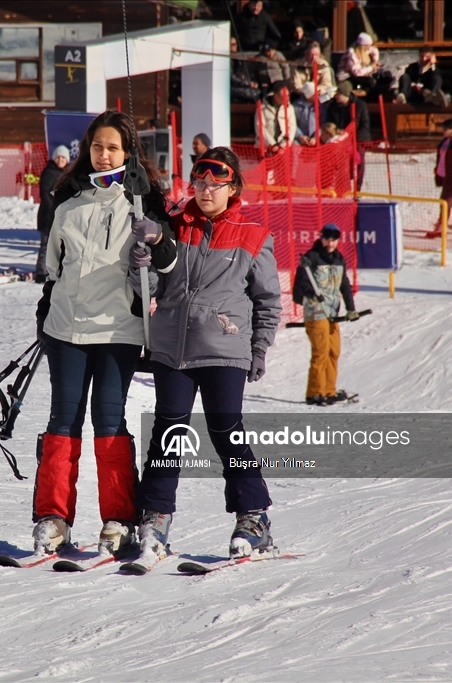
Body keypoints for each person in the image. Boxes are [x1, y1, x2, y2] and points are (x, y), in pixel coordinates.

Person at [31, 109, 174, 556]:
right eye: (97, 146)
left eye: (113, 147)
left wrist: (154, 239)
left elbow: (168, 263)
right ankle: (53, 518)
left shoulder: (142, 204)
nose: (104, 153)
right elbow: (52, 273)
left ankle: (118, 518)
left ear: (127, 153)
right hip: (66, 333)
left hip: (117, 333)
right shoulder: (68, 206)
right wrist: (44, 320)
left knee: (110, 422)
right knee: (62, 422)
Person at [133, 147, 282, 561]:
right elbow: (147, 286)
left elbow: (268, 300)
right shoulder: (173, 227)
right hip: (173, 350)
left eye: (216, 185)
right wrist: (139, 262)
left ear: (232, 187)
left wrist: (259, 348)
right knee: (168, 434)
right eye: (200, 183)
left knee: (225, 431)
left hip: (224, 348)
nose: (206, 191)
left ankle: (253, 517)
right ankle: (155, 517)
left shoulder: (253, 235)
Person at [292, 223, 358, 405]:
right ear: (321, 238)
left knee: (333, 352)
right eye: (327, 239)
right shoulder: (311, 258)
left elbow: (344, 285)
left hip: (331, 313)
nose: (330, 243)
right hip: (315, 312)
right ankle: (315, 393)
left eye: (334, 239)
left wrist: (350, 308)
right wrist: (313, 294)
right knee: (320, 351)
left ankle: (329, 391)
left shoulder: (339, 259)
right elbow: (300, 285)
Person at [324, 81, 371, 188]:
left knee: (358, 160)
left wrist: (352, 138)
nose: (336, 96)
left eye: (338, 94)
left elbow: (364, 125)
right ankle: (342, 185)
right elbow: (330, 123)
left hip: (356, 139)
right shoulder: (333, 106)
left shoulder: (360, 105)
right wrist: (337, 136)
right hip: (338, 139)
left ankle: (357, 186)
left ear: (345, 94)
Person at [35, 145, 69, 283]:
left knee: (58, 245)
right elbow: (45, 193)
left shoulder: (64, 173)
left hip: (59, 215)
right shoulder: (50, 172)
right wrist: (54, 209)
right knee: (46, 244)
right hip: (48, 216)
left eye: (63, 158)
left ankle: (54, 270)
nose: (60, 160)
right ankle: (40, 272)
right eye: (58, 157)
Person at [255, 81, 294, 155]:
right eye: (284, 97)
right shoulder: (262, 108)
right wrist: (272, 144)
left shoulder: (290, 108)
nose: (287, 99)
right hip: (266, 147)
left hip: (284, 148)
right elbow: (259, 127)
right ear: (275, 96)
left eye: (288, 96)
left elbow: (292, 128)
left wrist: (283, 146)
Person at [230, 36, 263, 103]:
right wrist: (248, 83)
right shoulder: (227, 60)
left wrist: (252, 82)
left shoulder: (237, 59)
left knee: (258, 91)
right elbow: (231, 77)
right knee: (254, 93)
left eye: (236, 44)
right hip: (230, 87)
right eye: (233, 44)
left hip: (240, 84)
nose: (236, 46)